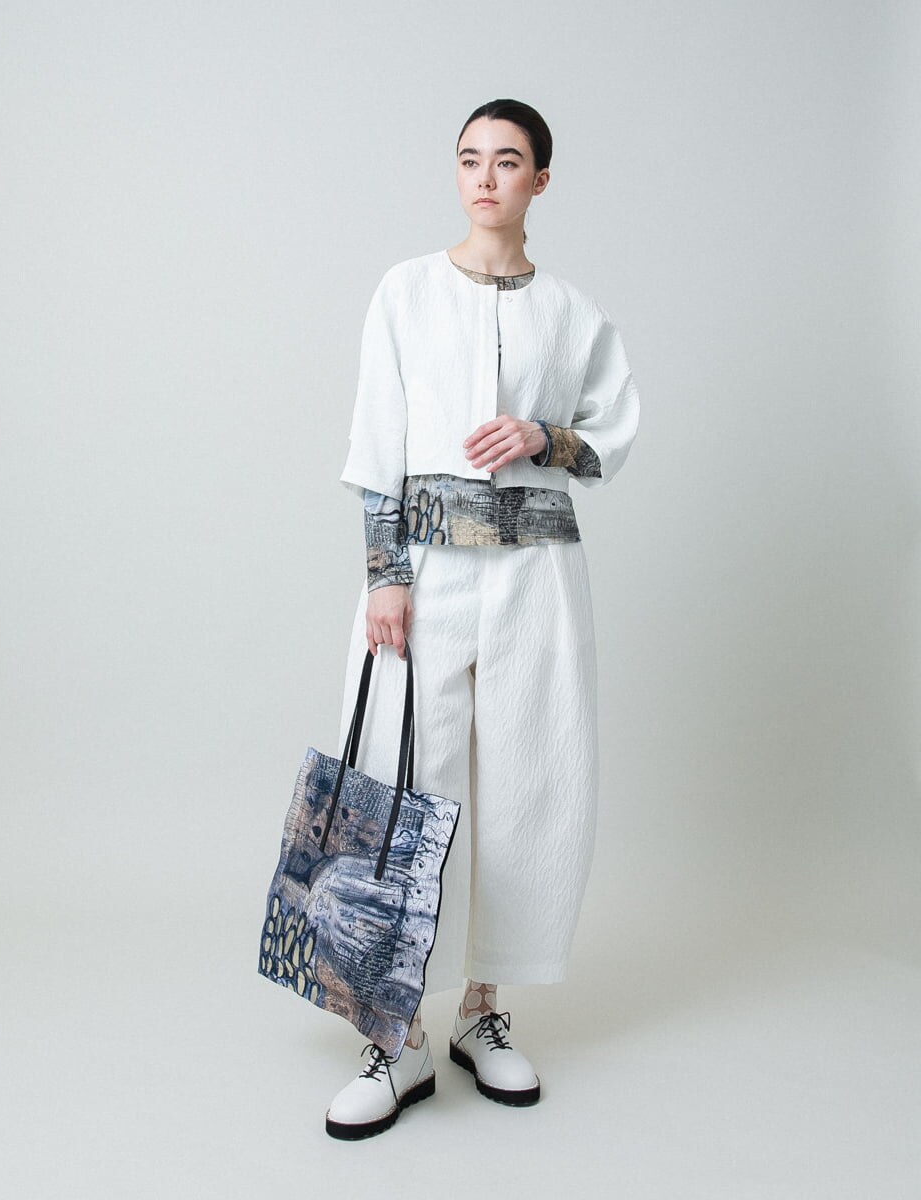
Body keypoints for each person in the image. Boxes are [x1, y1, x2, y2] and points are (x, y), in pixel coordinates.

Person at [325, 98, 640, 1140]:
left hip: (537, 575)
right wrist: (384, 575)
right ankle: (395, 1034)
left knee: (527, 783)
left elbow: (607, 439)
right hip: (424, 571)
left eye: (507, 162)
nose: (486, 178)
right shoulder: (406, 291)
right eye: (470, 160)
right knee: (402, 785)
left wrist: (546, 435)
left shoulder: (573, 312)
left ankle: (481, 1012)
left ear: (539, 180)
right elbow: (377, 440)